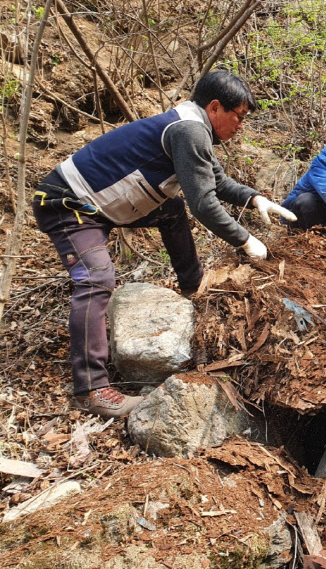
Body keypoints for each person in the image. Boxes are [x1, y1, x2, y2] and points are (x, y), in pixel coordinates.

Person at [32, 70, 296, 418]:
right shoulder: (189, 129)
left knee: (170, 209)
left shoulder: (191, 126)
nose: (240, 126)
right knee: (96, 279)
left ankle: (193, 288)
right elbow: (204, 203)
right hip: (69, 204)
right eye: (239, 117)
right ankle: (91, 390)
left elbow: (214, 179)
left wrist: (254, 198)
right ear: (215, 107)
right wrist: (245, 240)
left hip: (103, 204)